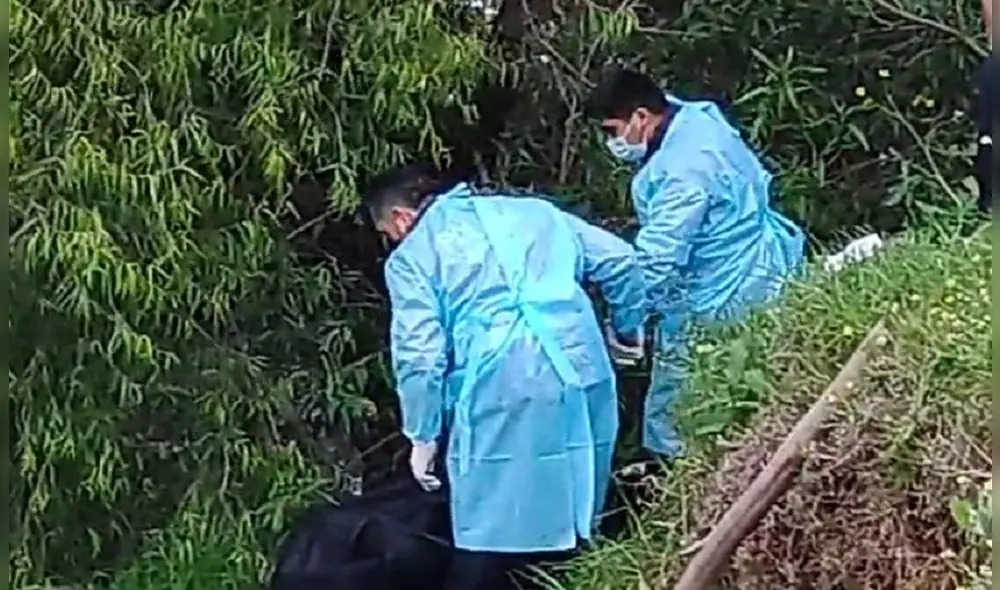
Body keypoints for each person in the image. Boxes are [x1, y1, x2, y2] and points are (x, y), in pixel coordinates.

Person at [364, 163, 647, 590]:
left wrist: (422, 435)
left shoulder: (415, 255)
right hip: (581, 365)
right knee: (578, 503)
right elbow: (622, 261)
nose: (394, 240)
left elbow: (421, 356)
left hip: (499, 383)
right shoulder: (534, 212)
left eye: (389, 232)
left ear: (402, 218)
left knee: (491, 522)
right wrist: (625, 331)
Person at [586, 68, 806, 462]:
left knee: (686, 399)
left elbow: (657, 259)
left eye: (612, 130)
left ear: (640, 117)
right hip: (758, 262)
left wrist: (626, 323)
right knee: (746, 375)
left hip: (721, 288)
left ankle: (678, 481)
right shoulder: (694, 117)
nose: (612, 142)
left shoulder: (683, 172)